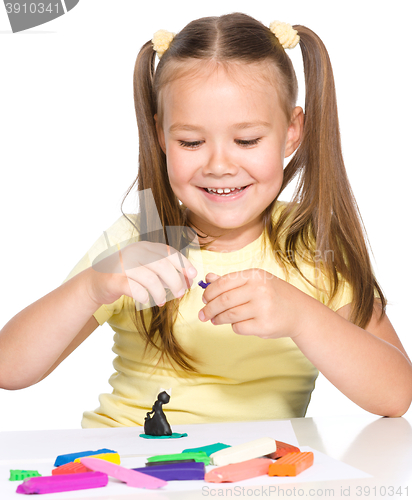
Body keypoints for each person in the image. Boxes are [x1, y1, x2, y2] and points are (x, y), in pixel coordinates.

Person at [0, 13, 411, 428]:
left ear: (291, 131)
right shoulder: (138, 238)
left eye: (246, 140)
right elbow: (10, 369)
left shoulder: (314, 246)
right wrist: (91, 287)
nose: (219, 165)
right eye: (191, 142)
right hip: (127, 468)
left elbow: (395, 396)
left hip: (251, 480)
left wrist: (304, 316)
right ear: (161, 135)